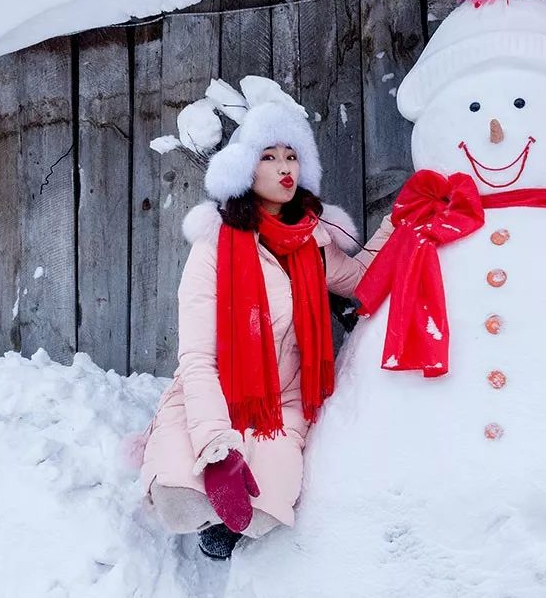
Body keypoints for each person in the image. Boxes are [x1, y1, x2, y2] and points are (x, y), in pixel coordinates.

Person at [138, 99, 395, 560]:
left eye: (292, 156)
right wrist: (217, 447)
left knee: (267, 511)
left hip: (285, 403)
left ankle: (232, 515)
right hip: (216, 392)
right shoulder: (214, 246)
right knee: (180, 495)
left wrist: (401, 222)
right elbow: (198, 359)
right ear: (243, 169)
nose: (283, 167)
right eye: (268, 156)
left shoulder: (313, 240)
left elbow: (363, 279)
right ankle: (207, 485)